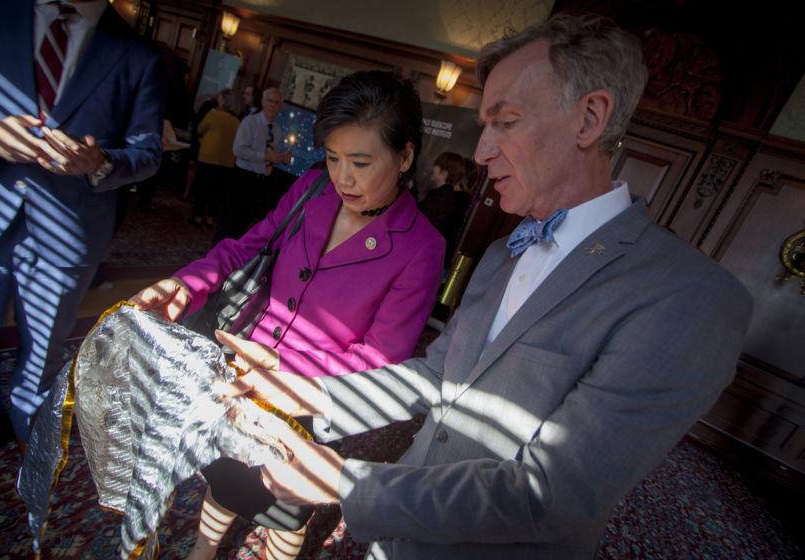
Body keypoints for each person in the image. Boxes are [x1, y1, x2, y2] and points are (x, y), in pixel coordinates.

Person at [215, 13, 754, 560]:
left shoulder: (691, 297)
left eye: (507, 122)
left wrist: (346, 483)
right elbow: (434, 377)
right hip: (396, 540)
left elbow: (553, 495)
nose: (480, 152)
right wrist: (309, 394)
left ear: (589, 119)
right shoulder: (502, 254)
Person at [129, 70, 446, 560]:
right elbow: (246, 248)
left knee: (283, 508)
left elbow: (382, 358)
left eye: (361, 162)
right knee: (225, 475)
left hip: (312, 404)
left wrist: (285, 372)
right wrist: (184, 284)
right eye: (334, 157)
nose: (343, 177)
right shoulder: (311, 190)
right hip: (239, 377)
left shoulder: (422, 246)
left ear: (405, 156)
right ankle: (203, 550)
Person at [0, 0, 164, 463]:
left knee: (44, 352)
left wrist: (103, 162)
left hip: (71, 228)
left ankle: (27, 427)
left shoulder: (138, 53)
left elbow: (148, 152)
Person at [215, 87, 292, 243]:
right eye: (270, 101)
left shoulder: (277, 130)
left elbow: (270, 156)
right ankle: (216, 258)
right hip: (242, 177)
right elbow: (238, 150)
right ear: (263, 102)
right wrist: (264, 156)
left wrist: (281, 158)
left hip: (260, 181)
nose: (273, 105)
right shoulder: (250, 122)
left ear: (281, 107)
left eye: (277, 103)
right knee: (229, 220)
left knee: (244, 223)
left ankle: (233, 260)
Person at [191, 89, 241, 227]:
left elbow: (200, 129)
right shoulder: (236, 122)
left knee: (202, 188)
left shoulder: (213, 115)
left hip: (208, 157)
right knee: (216, 192)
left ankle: (198, 215)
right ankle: (211, 217)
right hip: (226, 161)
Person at [418, 151, 472, 267]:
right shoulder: (447, 195)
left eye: (436, 165)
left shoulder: (441, 196)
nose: (433, 167)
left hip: (426, 255)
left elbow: (420, 223)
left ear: (444, 172)